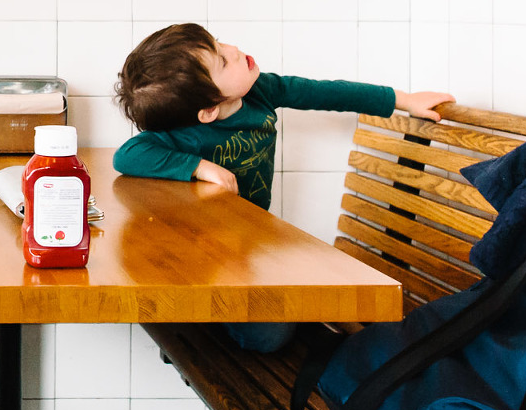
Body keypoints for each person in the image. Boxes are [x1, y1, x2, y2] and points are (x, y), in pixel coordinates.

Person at [112, 23, 452, 352]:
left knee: (283, 325)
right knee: (268, 338)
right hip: (208, 255)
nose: (233, 49)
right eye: (222, 60)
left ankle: (225, 314)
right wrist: (199, 167)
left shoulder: (261, 91)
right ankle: (210, 317)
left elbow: (325, 91)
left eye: (218, 43)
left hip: (252, 244)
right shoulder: (183, 132)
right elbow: (127, 156)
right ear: (209, 110)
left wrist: (402, 100)